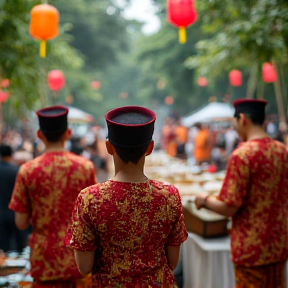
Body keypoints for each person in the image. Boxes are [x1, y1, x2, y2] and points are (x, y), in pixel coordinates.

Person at [67, 106, 188, 288]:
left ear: (108, 147)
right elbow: (172, 261)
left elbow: (84, 267)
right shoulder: (169, 196)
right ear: (150, 148)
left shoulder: (90, 199)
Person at [195, 99, 288, 288]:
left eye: (234, 122)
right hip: (279, 245)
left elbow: (229, 206)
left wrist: (203, 200)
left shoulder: (243, 154)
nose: (235, 127)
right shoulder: (282, 151)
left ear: (243, 119)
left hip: (251, 249)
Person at [9, 105, 97, 288]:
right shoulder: (85, 168)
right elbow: (94, 216)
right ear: (68, 133)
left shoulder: (28, 170)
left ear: (39, 135)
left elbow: (20, 222)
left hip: (44, 261)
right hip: (78, 260)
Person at [0, 145, 27, 252]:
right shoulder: (17, 171)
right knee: (19, 247)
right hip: (15, 214)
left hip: (0, 214)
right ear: (11, 155)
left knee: (3, 248)